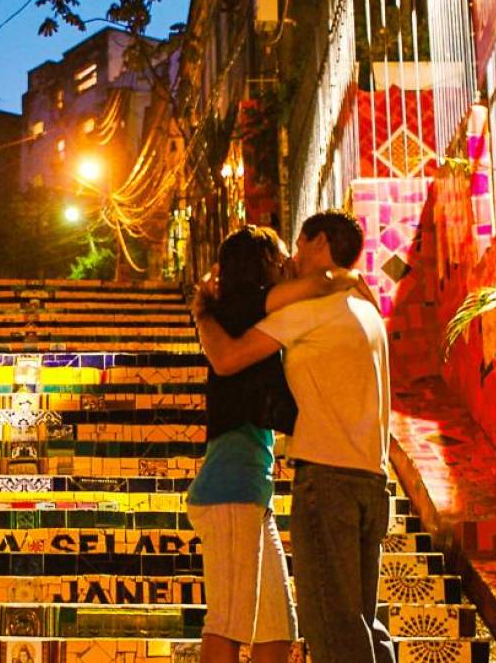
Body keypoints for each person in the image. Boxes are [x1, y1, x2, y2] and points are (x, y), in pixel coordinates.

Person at [192, 210, 394, 663]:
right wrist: (344, 277)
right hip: (249, 487)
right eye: (283, 255)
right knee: (352, 623)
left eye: (298, 248)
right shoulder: (358, 308)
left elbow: (230, 357)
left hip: (293, 485)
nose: (292, 260)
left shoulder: (303, 311)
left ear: (319, 242)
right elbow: (229, 359)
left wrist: (202, 309)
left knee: (300, 629)